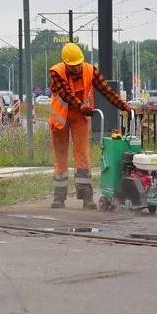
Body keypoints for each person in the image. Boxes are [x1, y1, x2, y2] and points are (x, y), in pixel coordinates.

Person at [48, 42, 130, 209]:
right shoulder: (57, 72)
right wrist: (82, 106)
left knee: (83, 156)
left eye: (78, 64)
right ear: (65, 64)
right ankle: (59, 198)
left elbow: (106, 90)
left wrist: (124, 106)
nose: (77, 69)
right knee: (61, 158)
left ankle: (87, 197)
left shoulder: (90, 70)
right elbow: (65, 93)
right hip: (60, 118)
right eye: (72, 66)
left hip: (80, 117)